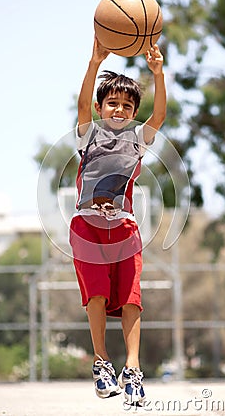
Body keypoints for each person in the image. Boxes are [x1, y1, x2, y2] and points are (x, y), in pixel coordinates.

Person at [69, 36, 166, 405]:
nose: (120, 110)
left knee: (131, 300)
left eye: (127, 105)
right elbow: (81, 105)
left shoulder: (138, 140)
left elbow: (159, 116)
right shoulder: (88, 135)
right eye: (113, 103)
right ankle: (101, 362)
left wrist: (158, 74)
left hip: (124, 229)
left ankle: (133, 371)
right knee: (95, 293)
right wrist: (94, 63)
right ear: (100, 107)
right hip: (87, 226)